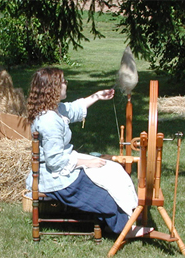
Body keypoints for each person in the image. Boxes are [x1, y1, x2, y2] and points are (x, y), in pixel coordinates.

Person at [25, 67, 153, 237]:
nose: (66, 84)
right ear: (53, 87)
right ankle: (124, 229)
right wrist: (87, 162)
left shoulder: (54, 110)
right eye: (63, 81)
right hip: (56, 179)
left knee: (112, 170)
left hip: (64, 166)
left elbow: (74, 108)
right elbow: (55, 161)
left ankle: (130, 215)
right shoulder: (49, 120)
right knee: (106, 194)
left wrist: (97, 96)